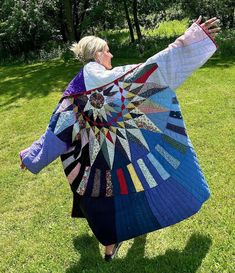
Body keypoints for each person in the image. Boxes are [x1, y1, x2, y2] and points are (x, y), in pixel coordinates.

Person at [19, 16, 220, 261]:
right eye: (107, 50)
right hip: (123, 155)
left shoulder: (75, 90)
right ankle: (132, 231)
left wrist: (32, 157)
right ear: (97, 55)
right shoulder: (120, 79)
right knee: (137, 182)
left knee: (102, 197)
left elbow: (57, 132)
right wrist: (192, 38)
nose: (111, 54)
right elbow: (156, 66)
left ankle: (109, 247)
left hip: (96, 165)